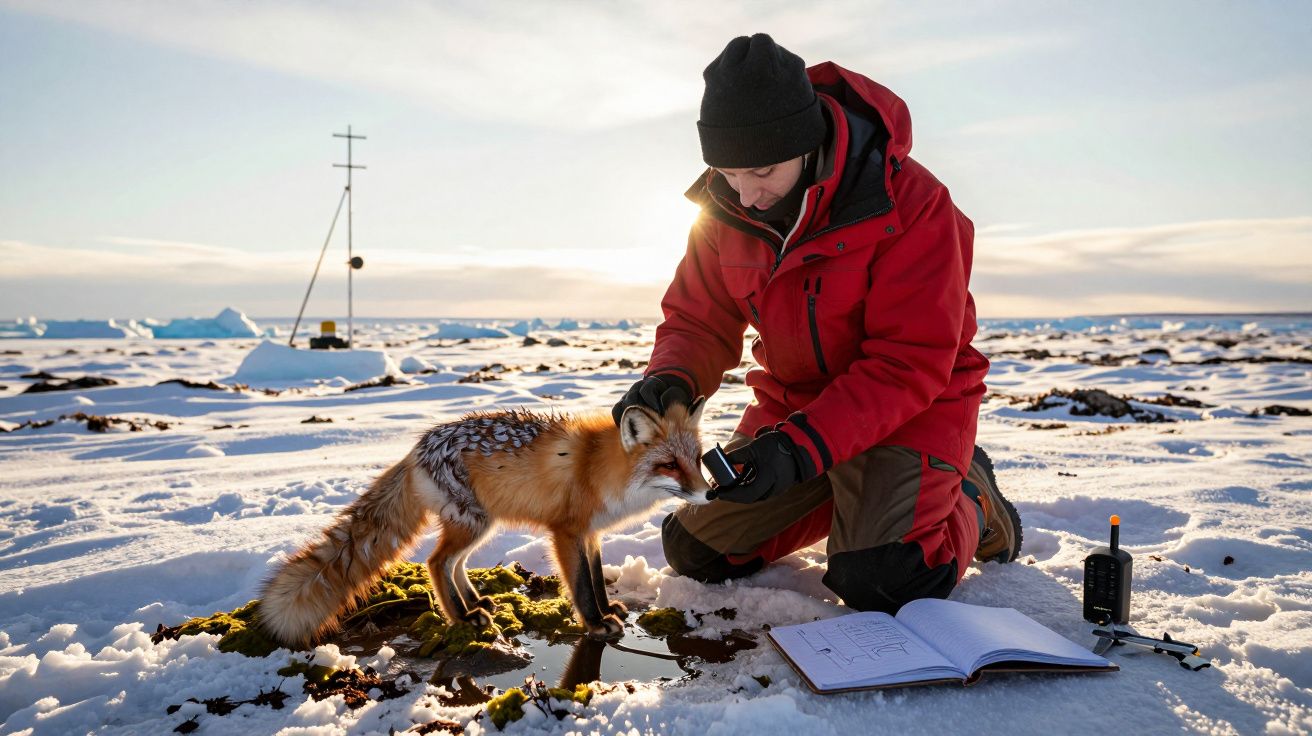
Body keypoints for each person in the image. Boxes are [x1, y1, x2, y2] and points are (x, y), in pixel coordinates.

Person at [611, 33, 1022, 614]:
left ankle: (972, 498)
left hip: (910, 412)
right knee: (696, 550)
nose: (747, 196)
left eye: (762, 171)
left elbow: (909, 362)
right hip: (794, 413)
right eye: (727, 173)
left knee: (885, 579)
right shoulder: (721, 209)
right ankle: (850, 497)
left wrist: (800, 451)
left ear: (805, 143)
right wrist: (671, 379)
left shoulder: (913, 203)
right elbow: (698, 318)